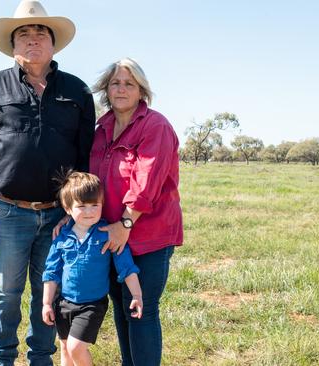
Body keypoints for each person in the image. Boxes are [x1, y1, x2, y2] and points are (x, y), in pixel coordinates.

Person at [0, 0, 96, 364]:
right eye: (24, 33)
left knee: (50, 290)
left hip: (58, 216)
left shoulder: (77, 92)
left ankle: (41, 358)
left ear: (53, 43)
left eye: (40, 32)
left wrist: (79, 213)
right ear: (13, 45)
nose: (33, 39)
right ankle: (2, 358)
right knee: (6, 291)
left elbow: (86, 156)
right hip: (9, 210)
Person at [90, 58, 183, 365]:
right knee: (119, 303)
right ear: (106, 88)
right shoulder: (101, 128)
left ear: (141, 90)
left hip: (148, 234)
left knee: (140, 308)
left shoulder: (155, 125)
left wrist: (125, 223)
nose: (121, 89)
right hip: (111, 233)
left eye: (129, 83)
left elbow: (147, 183)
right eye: (115, 82)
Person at [42, 171, 142, 366]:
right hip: (64, 303)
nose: (89, 211)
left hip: (92, 305)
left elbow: (127, 267)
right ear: (67, 208)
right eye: (81, 206)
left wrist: (137, 295)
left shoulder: (107, 234)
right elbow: (51, 272)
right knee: (65, 349)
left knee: (76, 348)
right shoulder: (61, 237)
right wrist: (46, 303)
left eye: (94, 205)